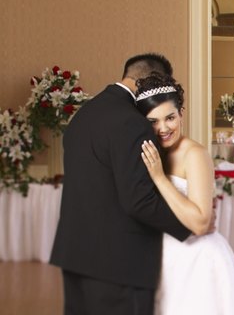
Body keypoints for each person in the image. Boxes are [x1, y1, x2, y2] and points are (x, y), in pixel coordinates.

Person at [50, 53, 193, 314]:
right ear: (150, 82)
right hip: (118, 264)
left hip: (75, 254)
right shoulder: (133, 123)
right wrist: (191, 226)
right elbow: (138, 201)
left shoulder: (83, 115)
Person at [136, 73, 234, 315]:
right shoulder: (148, 151)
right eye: (153, 121)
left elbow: (201, 223)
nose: (163, 128)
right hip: (162, 260)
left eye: (170, 117)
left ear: (181, 113)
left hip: (198, 261)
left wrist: (159, 177)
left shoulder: (195, 154)